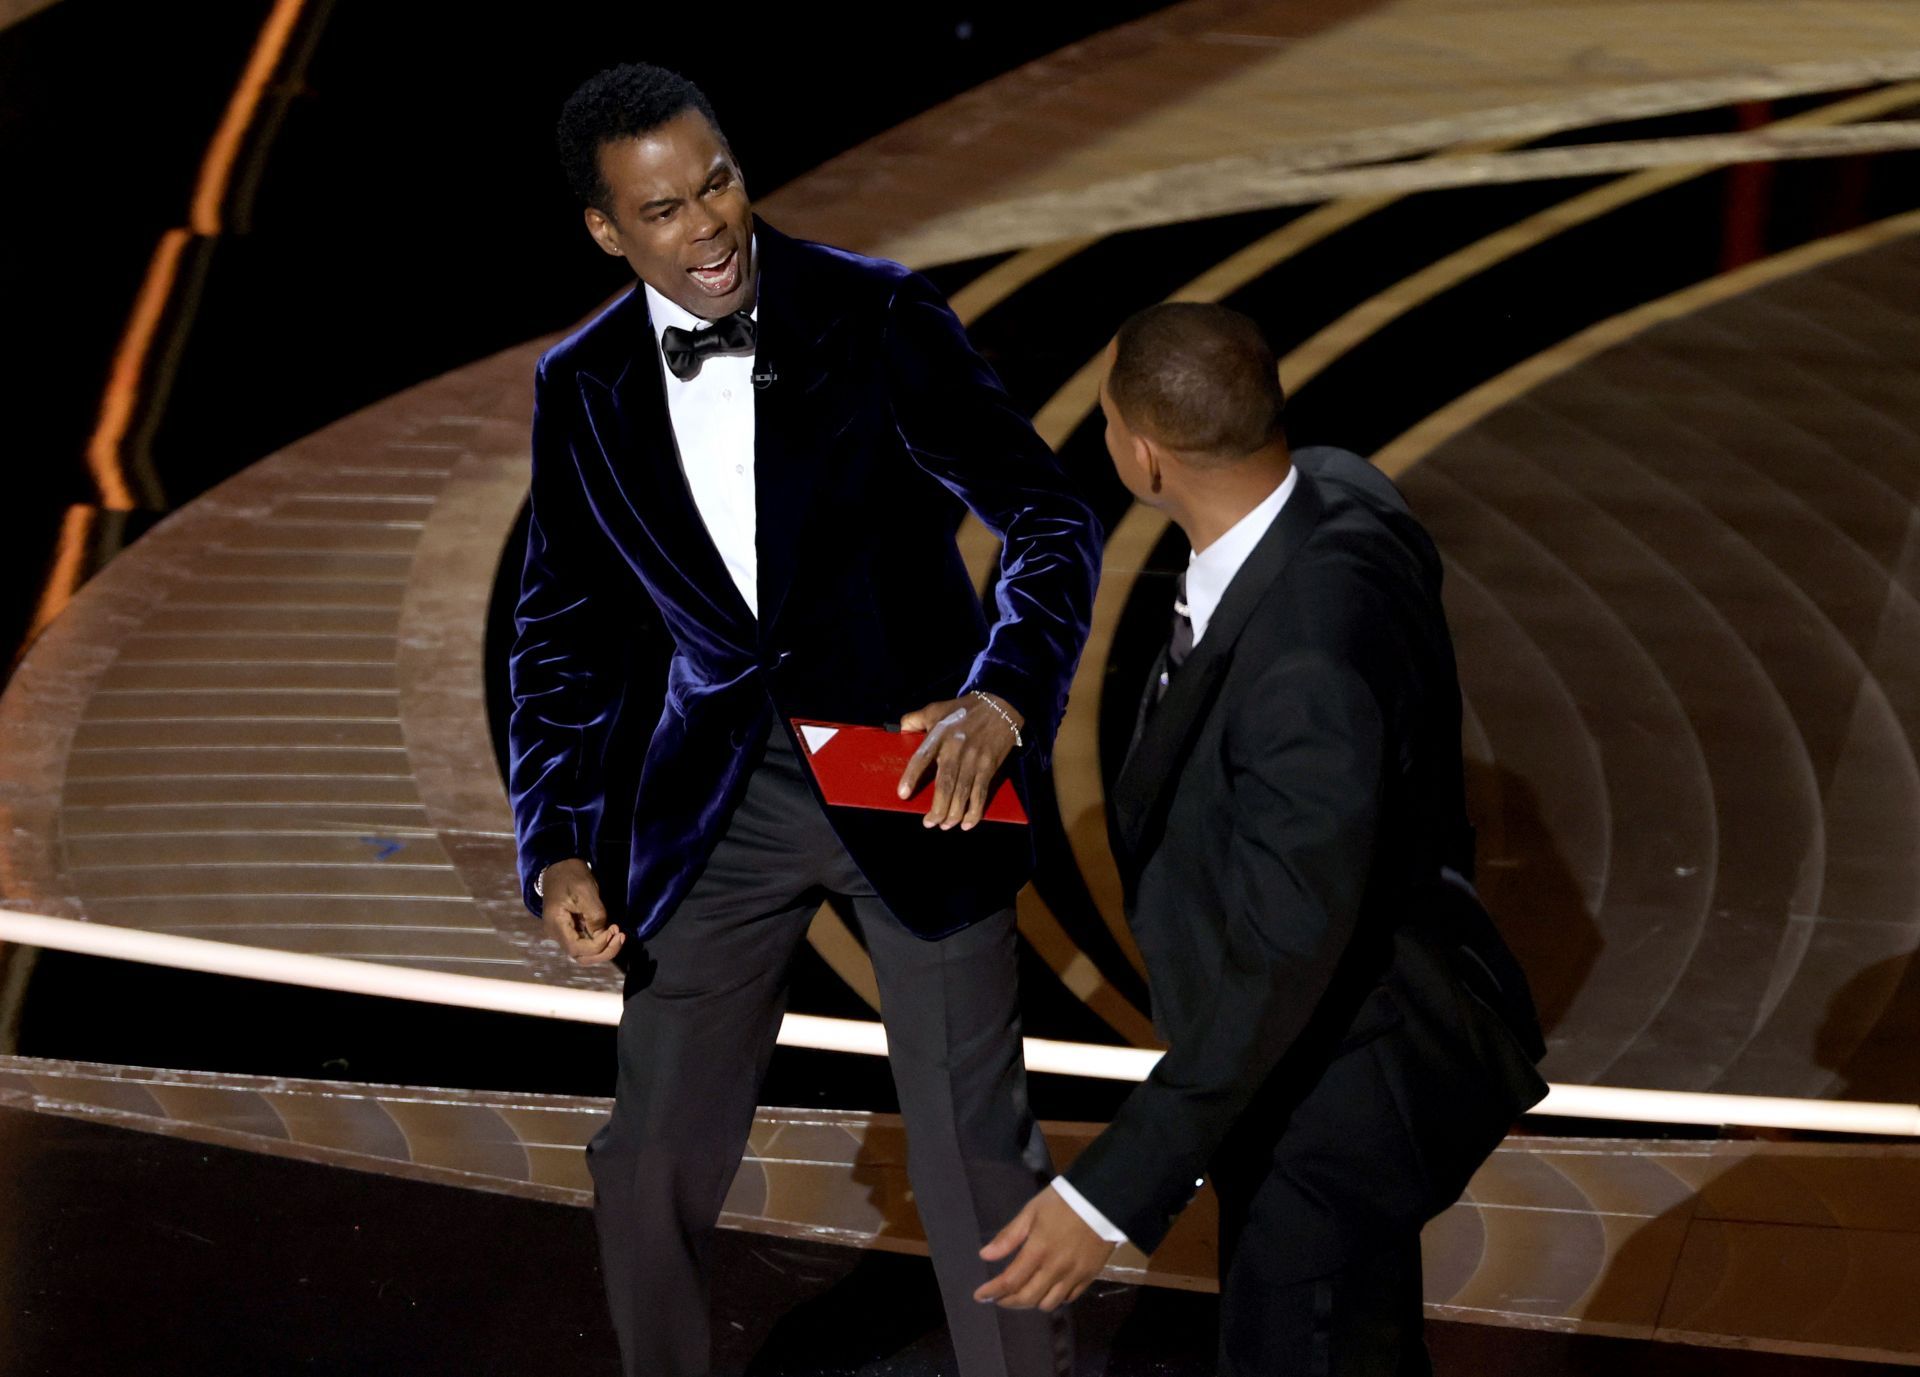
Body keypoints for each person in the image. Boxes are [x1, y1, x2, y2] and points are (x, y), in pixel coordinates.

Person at [508, 63, 1102, 1377]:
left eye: (716, 181)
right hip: (719, 797)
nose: (709, 225)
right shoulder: (583, 383)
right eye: (662, 210)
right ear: (608, 231)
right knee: (647, 1151)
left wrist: (1006, 693)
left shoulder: (879, 313)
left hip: (913, 765)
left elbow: (1050, 515)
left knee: (974, 1159)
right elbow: (558, 633)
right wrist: (553, 842)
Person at [973, 304, 1546, 1375]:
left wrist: (1107, 1195)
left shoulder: (1305, 673)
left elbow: (1288, 956)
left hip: (1325, 1109)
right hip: (1320, 1064)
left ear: (1143, 456)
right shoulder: (1346, 493)